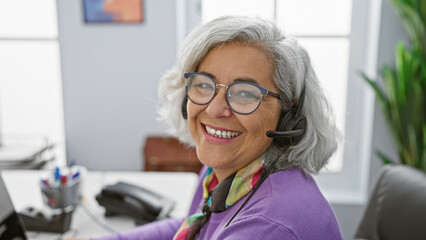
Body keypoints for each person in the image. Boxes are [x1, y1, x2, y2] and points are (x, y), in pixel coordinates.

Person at [93, 15, 344, 239]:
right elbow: (195, 226)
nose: (214, 110)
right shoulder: (227, 171)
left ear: (288, 115)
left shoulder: (267, 227)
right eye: (204, 84)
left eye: (245, 93)